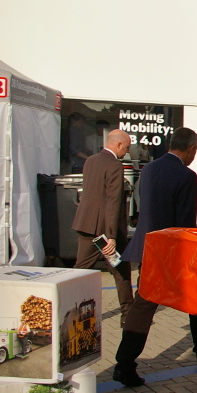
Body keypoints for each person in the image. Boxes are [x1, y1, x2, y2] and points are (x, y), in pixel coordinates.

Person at [113, 127, 197, 387]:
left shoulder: (150, 169)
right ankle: (127, 363)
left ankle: (126, 362)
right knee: (196, 296)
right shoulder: (186, 175)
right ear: (191, 148)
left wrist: (187, 191)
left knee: (146, 304)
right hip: (169, 250)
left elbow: (153, 200)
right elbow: (184, 221)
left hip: (147, 246)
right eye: (195, 151)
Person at [71, 129, 135, 326]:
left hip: (86, 224)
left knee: (80, 271)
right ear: (118, 145)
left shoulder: (90, 161)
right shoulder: (115, 165)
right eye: (126, 147)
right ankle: (128, 316)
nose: (127, 151)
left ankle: (69, 310)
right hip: (105, 230)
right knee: (121, 271)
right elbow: (113, 201)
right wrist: (111, 236)